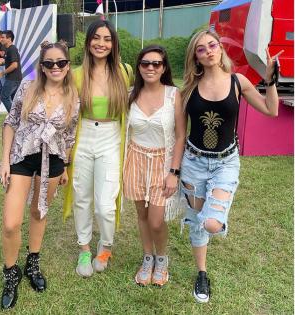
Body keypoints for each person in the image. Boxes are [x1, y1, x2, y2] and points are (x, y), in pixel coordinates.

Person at [180, 30, 283, 303]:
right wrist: (173, 171)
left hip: (225, 162)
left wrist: (271, 79)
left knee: (210, 223)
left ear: (220, 49)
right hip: (193, 162)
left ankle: (214, 214)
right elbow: (180, 133)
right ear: (196, 57)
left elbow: (271, 110)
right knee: (196, 223)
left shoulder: (238, 81)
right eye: (201, 49)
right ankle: (202, 272)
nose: (209, 51)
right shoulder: (189, 89)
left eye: (212, 45)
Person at [0, 40, 79, 310]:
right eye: (49, 63)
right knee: (11, 222)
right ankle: (11, 274)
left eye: (61, 63)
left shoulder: (73, 96)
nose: (55, 67)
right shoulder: (27, 87)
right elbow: (10, 122)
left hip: (53, 162)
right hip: (22, 157)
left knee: (38, 212)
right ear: (42, 67)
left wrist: (65, 167)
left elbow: (69, 135)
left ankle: (33, 262)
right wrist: (4, 161)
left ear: (67, 66)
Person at [62, 19, 134, 278]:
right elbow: (65, 114)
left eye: (107, 39)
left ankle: (105, 246)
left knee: (105, 204)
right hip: (84, 136)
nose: (101, 44)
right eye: (96, 38)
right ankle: (84, 248)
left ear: (113, 44)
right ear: (88, 41)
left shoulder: (125, 72)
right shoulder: (76, 74)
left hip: (111, 137)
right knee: (82, 197)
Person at [122, 45, 186, 287]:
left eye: (156, 64)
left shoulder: (173, 95)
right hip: (136, 159)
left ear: (164, 68)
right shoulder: (131, 94)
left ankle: (162, 258)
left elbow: (180, 135)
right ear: (139, 67)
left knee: (156, 220)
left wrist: (173, 172)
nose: (150, 67)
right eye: (145, 63)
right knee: (142, 215)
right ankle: (147, 257)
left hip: (162, 162)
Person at [0, 30, 23, 112]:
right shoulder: (9, 49)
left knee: (4, 97)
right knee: (14, 99)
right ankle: (18, 117)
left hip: (13, 78)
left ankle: (13, 117)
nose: (1, 39)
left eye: (3, 37)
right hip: (15, 78)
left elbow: (14, 65)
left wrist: (2, 73)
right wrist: (2, 62)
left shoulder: (12, 49)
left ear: (9, 39)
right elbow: (10, 61)